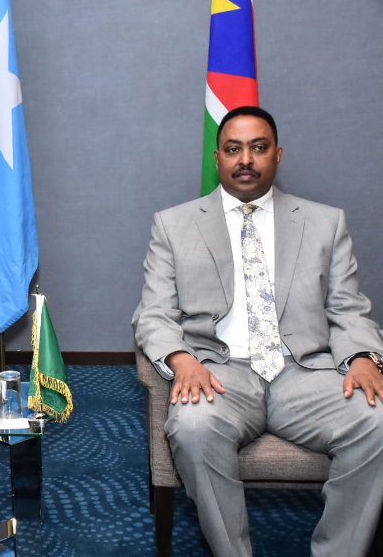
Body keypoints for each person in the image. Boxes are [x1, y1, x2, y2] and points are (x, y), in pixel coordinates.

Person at [132, 106, 383, 556]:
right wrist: (181, 359)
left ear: (278, 155)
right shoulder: (173, 224)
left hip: (305, 372)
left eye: (258, 148)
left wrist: (363, 357)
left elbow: (347, 308)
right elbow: (153, 314)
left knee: (379, 419)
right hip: (219, 372)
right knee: (191, 427)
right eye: (233, 149)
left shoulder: (326, 222)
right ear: (218, 158)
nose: (245, 159)